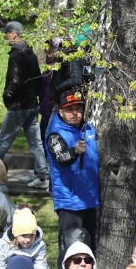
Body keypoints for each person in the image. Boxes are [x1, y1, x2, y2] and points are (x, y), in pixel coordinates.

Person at [0, 21, 48, 186]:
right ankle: (42, 175)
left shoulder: (16, 55)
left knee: (2, 141)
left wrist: (7, 97)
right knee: (35, 142)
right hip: (31, 104)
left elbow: (15, 81)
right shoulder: (30, 53)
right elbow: (37, 79)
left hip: (19, 106)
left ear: (14, 34)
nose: (5, 36)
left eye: (7, 33)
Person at [45, 90, 101, 250]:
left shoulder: (88, 129)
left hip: (90, 199)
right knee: (70, 249)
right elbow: (61, 158)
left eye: (78, 108)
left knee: (90, 249)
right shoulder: (55, 134)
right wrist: (74, 151)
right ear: (61, 112)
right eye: (70, 109)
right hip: (70, 203)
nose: (75, 113)